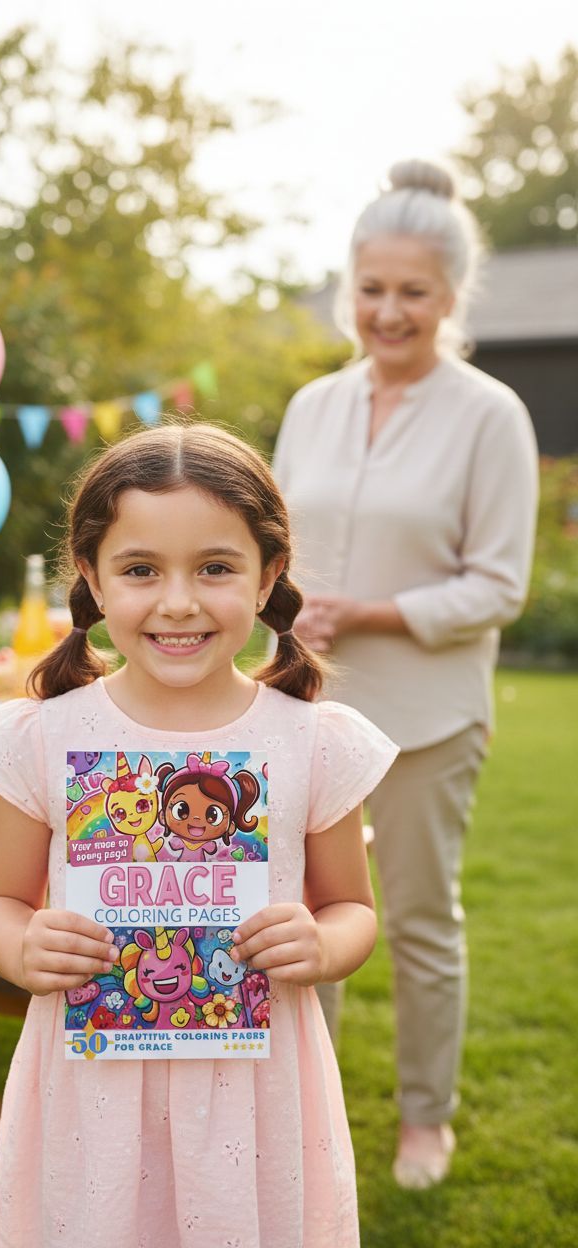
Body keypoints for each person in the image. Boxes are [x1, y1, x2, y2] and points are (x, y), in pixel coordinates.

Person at [0, 422, 398, 1248]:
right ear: (91, 577)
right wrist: (21, 947)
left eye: (215, 568)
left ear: (268, 575)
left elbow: (353, 908)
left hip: (257, 1091)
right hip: (91, 1091)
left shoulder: (312, 741)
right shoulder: (44, 738)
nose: (178, 602)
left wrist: (322, 943)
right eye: (140, 570)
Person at [273, 159, 539, 1190]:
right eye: (372, 288)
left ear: (452, 295)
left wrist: (370, 613)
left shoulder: (490, 415)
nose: (388, 312)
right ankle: (308, 1115)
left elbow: (499, 585)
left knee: (420, 921)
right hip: (309, 707)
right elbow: (270, 545)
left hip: (427, 717)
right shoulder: (311, 405)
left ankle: (426, 1120)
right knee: (302, 919)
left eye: (413, 292)